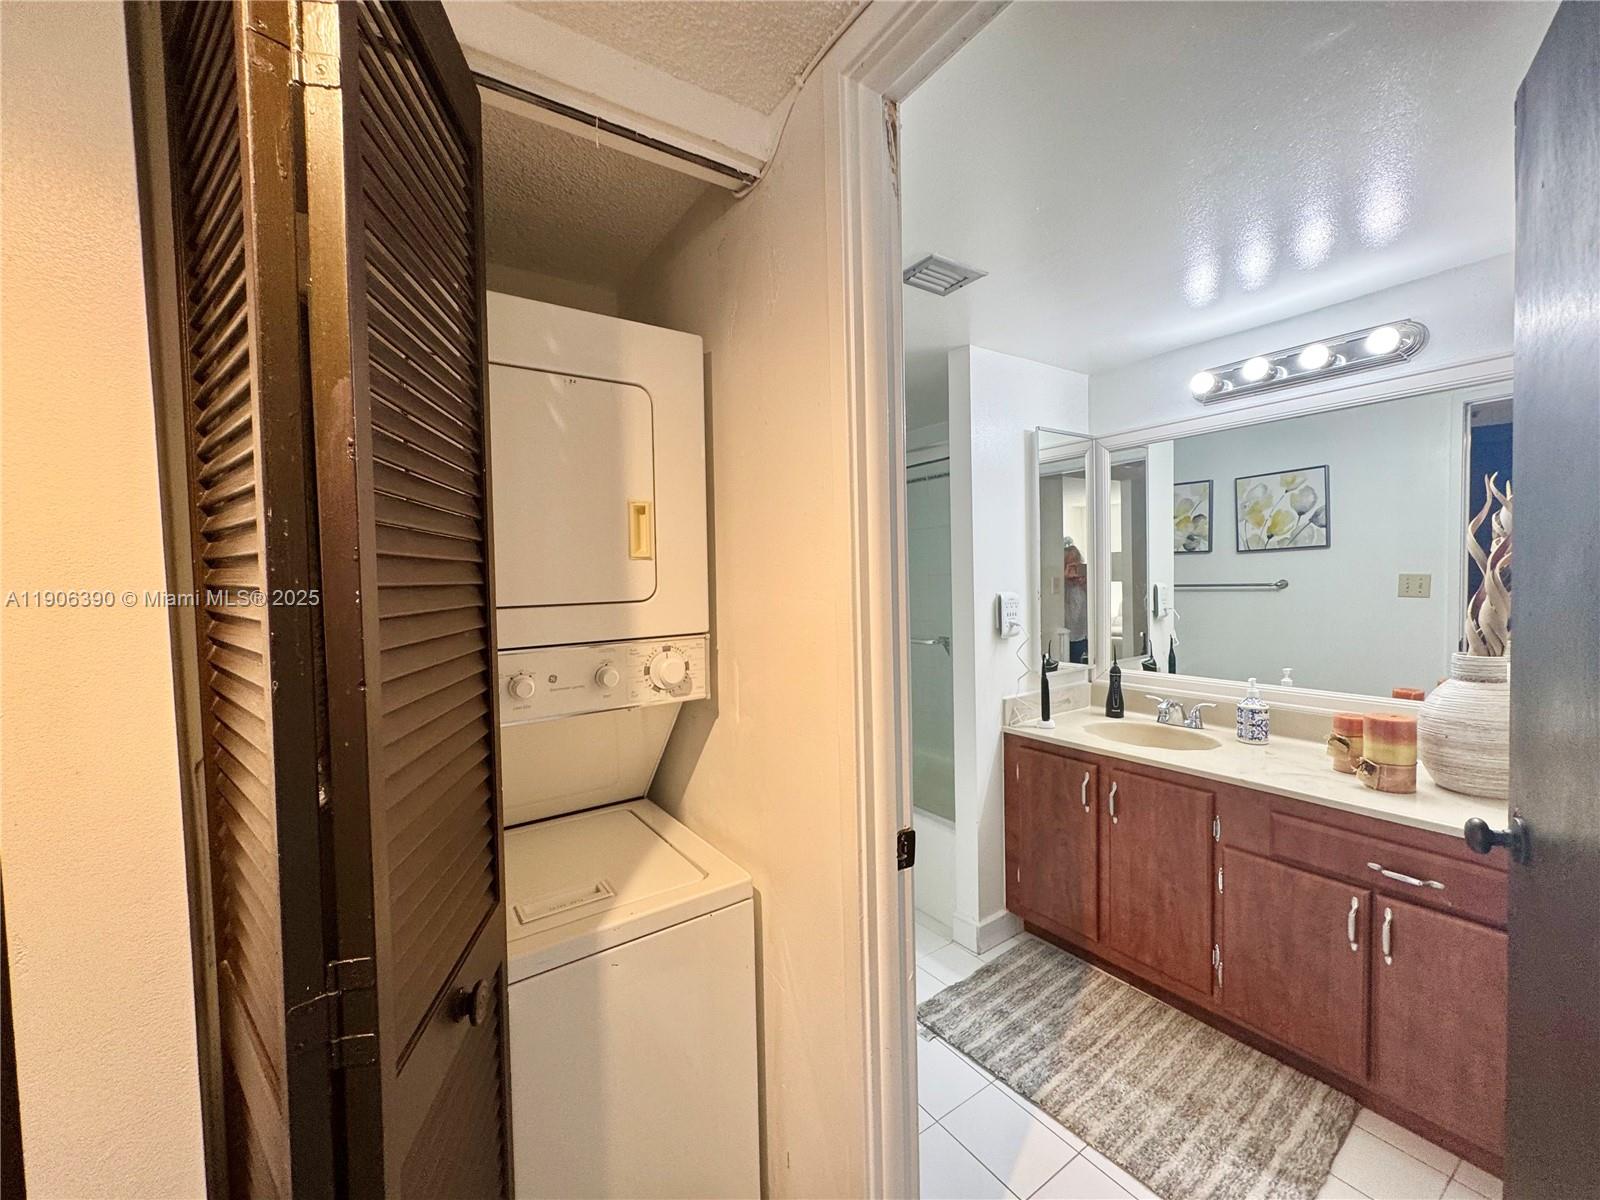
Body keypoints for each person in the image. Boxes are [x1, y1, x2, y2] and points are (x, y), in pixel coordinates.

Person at [1063, 539, 1088, 664]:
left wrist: (1085, 584)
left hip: (1082, 635)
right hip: (1065, 636)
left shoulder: (1084, 584)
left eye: (1076, 565)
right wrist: (1064, 579)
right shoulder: (1062, 586)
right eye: (1070, 566)